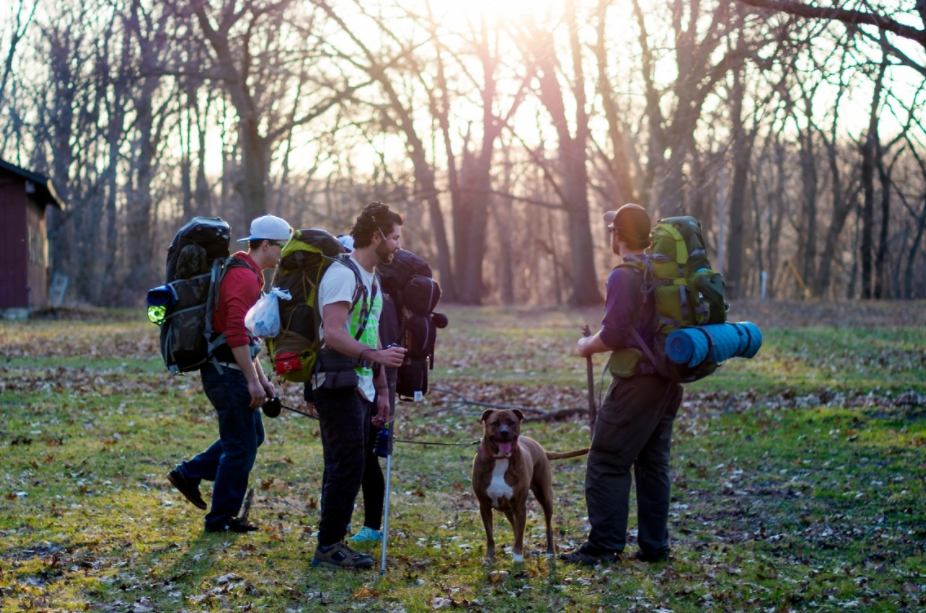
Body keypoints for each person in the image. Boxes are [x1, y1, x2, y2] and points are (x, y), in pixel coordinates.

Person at [560, 203, 684, 565]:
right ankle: (655, 547)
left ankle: (603, 547)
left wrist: (586, 345)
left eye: (612, 229)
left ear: (617, 234)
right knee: (652, 464)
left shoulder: (623, 275)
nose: (609, 235)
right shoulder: (659, 271)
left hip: (637, 384)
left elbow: (613, 334)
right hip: (668, 381)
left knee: (606, 460)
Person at [166, 214, 293, 533]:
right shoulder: (244, 277)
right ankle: (219, 518)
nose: (283, 255)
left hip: (232, 368)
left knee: (252, 438)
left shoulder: (245, 272)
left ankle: (189, 474)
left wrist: (263, 382)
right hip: (227, 373)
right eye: (281, 248)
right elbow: (236, 333)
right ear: (266, 245)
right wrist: (252, 380)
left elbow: (249, 339)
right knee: (241, 447)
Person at [307, 202, 407, 569]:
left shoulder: (373, 279)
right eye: (394, 238)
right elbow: (332, 333)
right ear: (377, 236)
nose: (397, 245)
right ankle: (329, 545)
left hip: (361, 385)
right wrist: (376, 357)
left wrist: (381, 390)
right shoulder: (342, 275)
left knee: (349, 464)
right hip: (335, 382)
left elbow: (369, 333)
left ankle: (331, 541)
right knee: (345, 465)